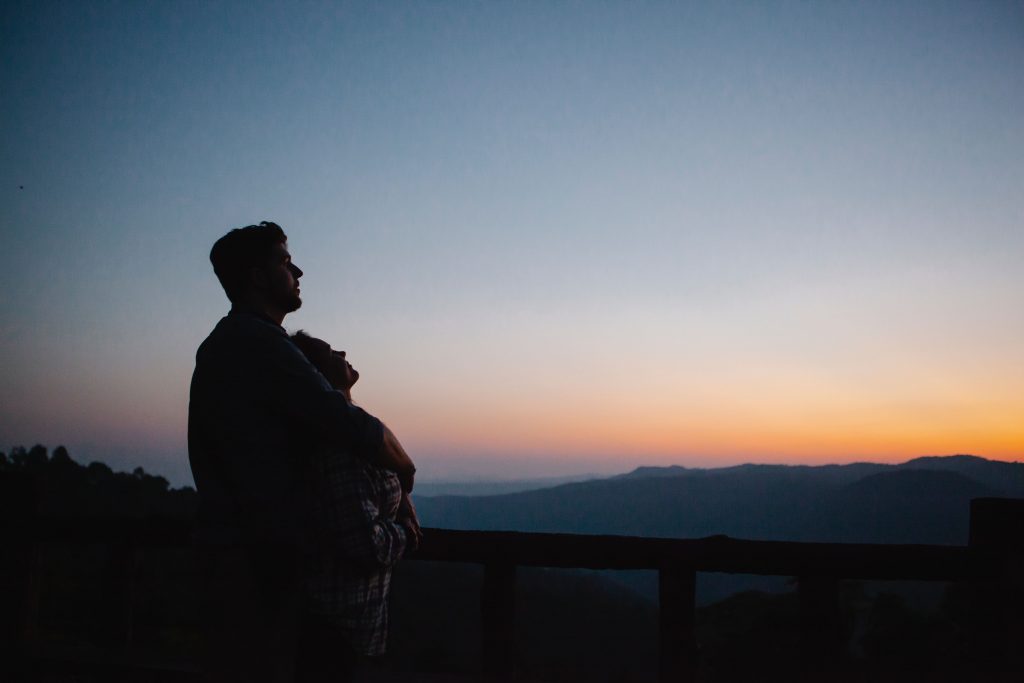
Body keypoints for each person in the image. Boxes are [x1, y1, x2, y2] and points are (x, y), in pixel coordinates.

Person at [188, 221, 416, 683]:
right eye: (284, 261)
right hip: (263, 567)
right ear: (256, 276)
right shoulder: (258, 343)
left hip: (240, 559)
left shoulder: (222, 345)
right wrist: (405, 469)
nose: (298, 271)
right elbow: (352, 426)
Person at [289, 331, 421, 681]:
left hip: (350, 629)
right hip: (337, 632)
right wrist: (406, 533)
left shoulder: (356, 439)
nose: (343, 351)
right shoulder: (339, 452)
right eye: (330, 351)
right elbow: (365, 543)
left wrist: (402, 501)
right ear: (315, 375)